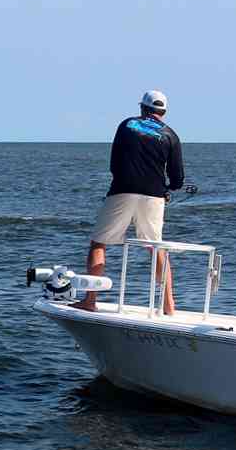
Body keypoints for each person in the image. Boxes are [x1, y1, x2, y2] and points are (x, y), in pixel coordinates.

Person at [74, 90, 185, 314]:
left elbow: (114, 163)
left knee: (99, 243)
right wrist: (167, 188)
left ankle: (90, 300)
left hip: (122, 190)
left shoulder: (127, 125)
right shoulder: (171, 135)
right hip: (154, 196)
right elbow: (177, 180)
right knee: (155, 247)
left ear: (143, 108)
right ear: (163, 111)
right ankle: (169, 306)